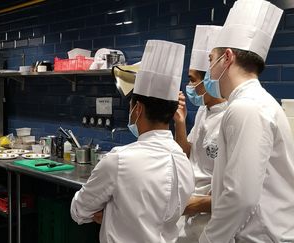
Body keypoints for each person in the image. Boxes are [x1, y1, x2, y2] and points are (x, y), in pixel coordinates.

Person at [70, 40, 195, 243]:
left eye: (131, 106)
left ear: (137, 110)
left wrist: (110, 215)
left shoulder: (119, 160)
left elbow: (79, 210)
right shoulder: (184, 161)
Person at [198, 0, 294, 242]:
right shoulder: (254, 102)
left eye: (211, 60)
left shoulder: (246, 107)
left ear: (227, 58)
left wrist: (208, 239)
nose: (208, 70)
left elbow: (241, 196)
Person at [174, 25, 227, 242]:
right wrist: (180, 122)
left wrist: (197, 204)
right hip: (189, 207)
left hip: (211, 217)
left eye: (192, 79)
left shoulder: (231, 116)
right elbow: (187, 154)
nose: (189, 86)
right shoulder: (204, 111)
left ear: (209, 79)